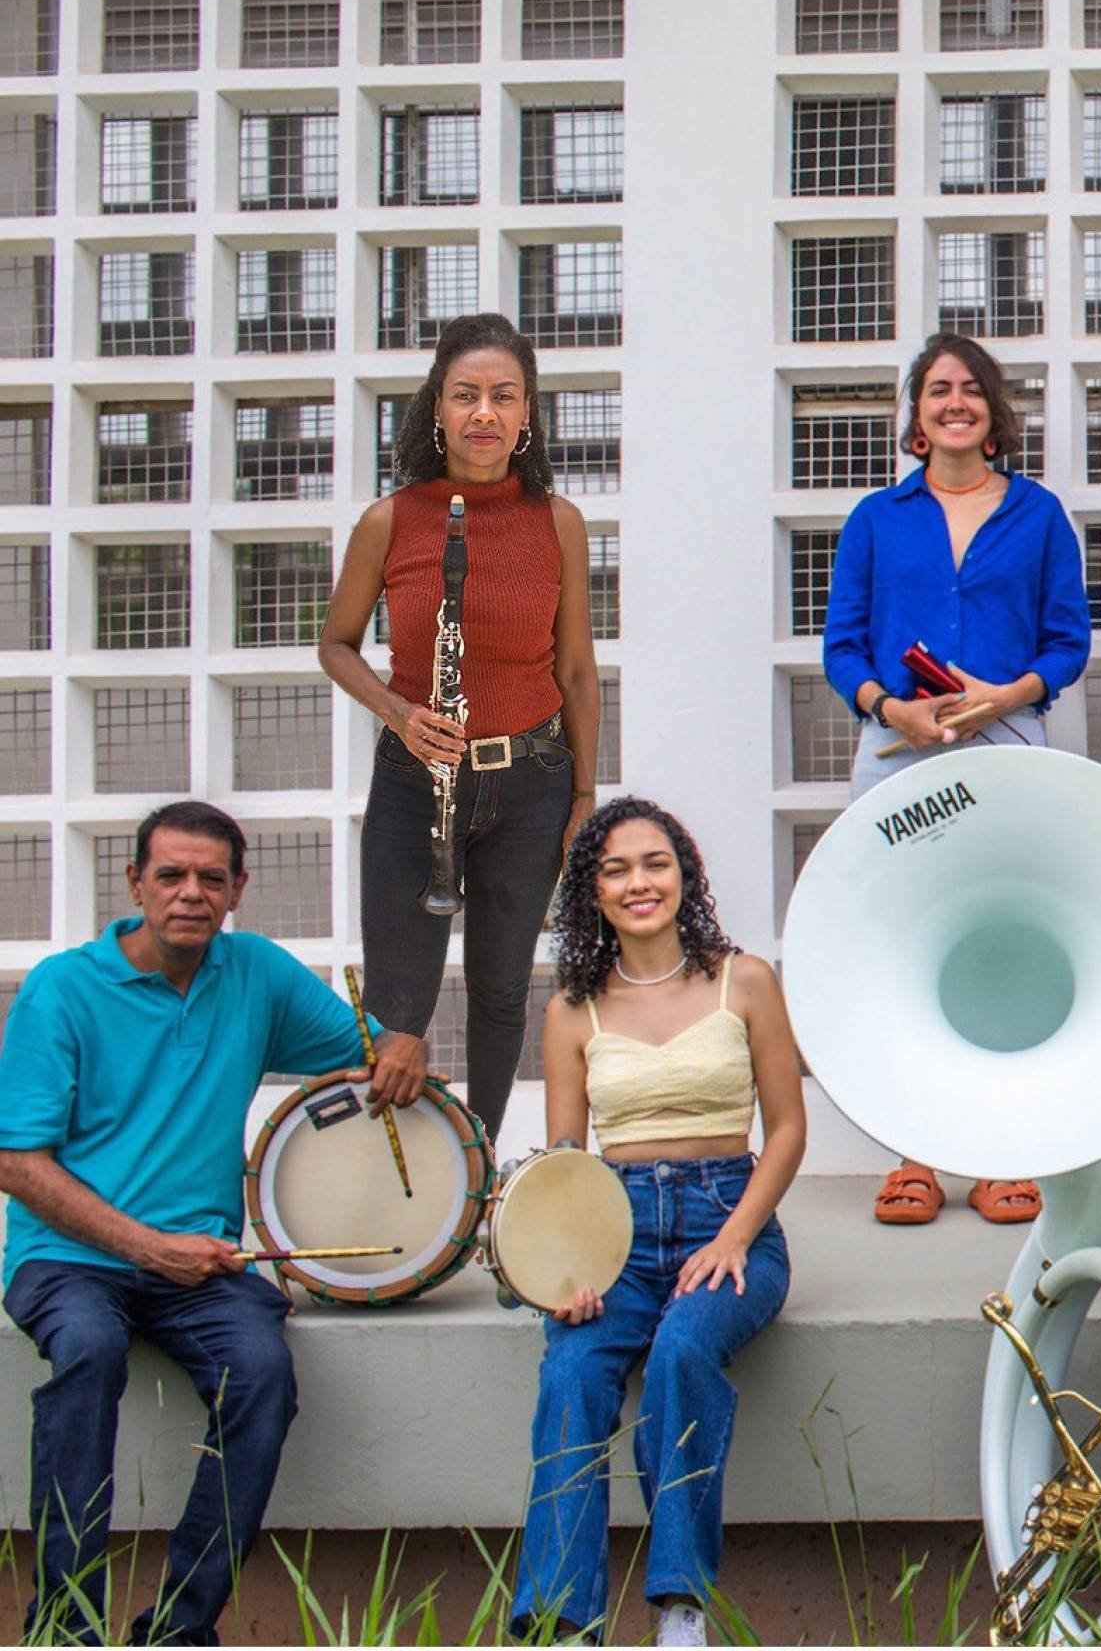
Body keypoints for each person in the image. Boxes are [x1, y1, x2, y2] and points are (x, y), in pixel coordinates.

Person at [0, 803, 417, 1644]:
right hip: (69, 1259)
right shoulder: (63, 989)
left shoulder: (254, 972)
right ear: (135, 884)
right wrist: (148, 1247)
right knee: (88, 1350)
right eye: (171, 875)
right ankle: (65, 1626)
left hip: (205, 1266)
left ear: (237, 891)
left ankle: (178, 1630)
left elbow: (369, 1056)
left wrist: (401, 1043)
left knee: (262, 1372)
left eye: (211, 879)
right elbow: (16, 1163)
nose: (191, 893)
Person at [512, 798, 807, 1649]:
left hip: (730, 1214)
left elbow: (786, 1130)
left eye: (655, 863)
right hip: (613, 1231)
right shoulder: (573, 1008)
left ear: (684, 875)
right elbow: (566, 1157)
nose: (638, 882)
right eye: (615, 869)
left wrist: (735, 1238)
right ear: (592, 891)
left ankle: (680, 1607)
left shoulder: (743, 980)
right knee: (572, 1374)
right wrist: (559, 1274)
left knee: (682, 1351)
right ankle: (565, 1623)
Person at [822, 331, 1088, 1227]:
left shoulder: (1039, 514)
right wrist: (890, 709)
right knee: (908, 941)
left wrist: (1002, 695)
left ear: (994, 409)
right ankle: (917, 1153)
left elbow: (1067, 643)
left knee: (1005, 939)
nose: (954, 404)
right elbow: (842, 647)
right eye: (938, 390)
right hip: (900, 749)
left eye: (971, 389)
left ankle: (1004, 1153)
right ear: (917, 411)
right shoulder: (876, 519)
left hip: (1008, 741)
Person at [318, 311, 601, 1145]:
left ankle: (476, 1164)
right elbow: (335, 644)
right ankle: (400, 1173)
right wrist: (398, 712)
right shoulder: (391, 520)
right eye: (467, 395)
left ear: (527, 415)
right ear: (436, 408)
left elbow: (578, 670)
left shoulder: (558, 521)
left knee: (502, 988)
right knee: (397, 998)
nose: (485, 413)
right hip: (417, 780)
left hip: (532, 781)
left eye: (504, 397)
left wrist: (585, 794)